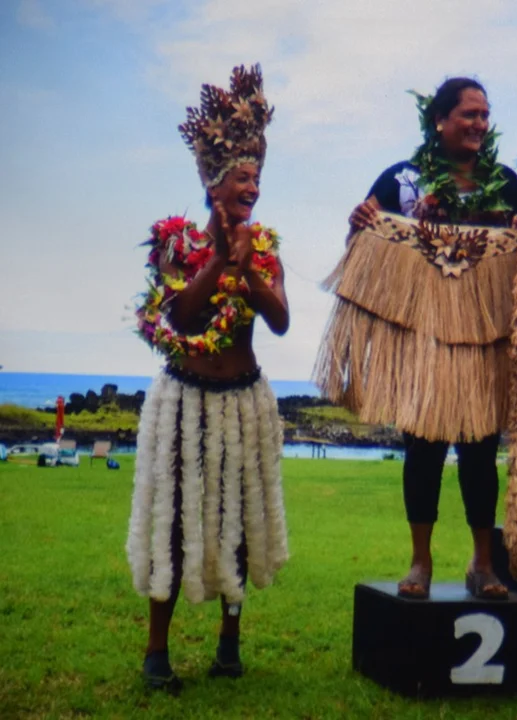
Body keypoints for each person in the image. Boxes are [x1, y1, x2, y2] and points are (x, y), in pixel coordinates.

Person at [127, 64, 289, 693]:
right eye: (243, 177)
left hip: (243, 402)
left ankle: (229, 647)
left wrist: (248, 270)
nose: (253, 186)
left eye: (258, 177)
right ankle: (155, 652)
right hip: (185, 401)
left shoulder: (268, 246)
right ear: (214, 182)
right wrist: (220, 258)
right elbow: (183, 316)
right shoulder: (175, 243)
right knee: (173, 520)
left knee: (241, 521)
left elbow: (277, 321)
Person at [348, 78, 517, 600]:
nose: (478, 124)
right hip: (423, 334)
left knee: (479, 449)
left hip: (480, 333)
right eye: (469, 114)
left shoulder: (504, 181)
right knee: (423, 449)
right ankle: (420, 561)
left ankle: (482, 562)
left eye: (484, 116)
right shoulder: (402, 180)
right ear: (440, 120)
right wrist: (360, 222)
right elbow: (362, 244)